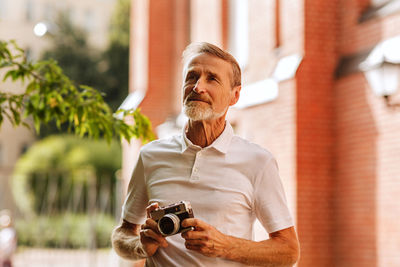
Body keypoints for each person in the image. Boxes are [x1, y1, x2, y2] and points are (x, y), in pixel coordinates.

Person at [112, 42, 300, 266]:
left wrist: (225, 245)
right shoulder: (150, 155)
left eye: (212, 79)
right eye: (191, 77)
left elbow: (288, 251)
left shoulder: (258, 161)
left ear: (235, 95)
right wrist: (140, 246)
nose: (197, 87)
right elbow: (123, 233)